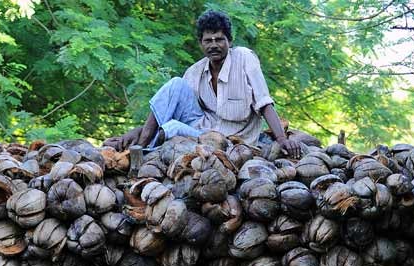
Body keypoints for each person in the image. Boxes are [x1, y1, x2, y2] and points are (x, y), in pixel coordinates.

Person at [104, 10, 302, 159]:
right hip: (201, 129)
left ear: (229, 41)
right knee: (175, 85)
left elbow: (265, 103)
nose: (214, 45)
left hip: (232, 141)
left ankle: (138, 153)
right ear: (201, 43)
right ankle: (136, 144)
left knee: (171, 127)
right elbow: (166, 110)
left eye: (219, 39)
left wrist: (282, 139)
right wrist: (134, 132)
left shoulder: (244, 59)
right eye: (208, 40)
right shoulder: (195, 71)